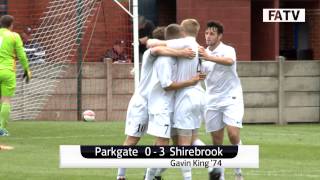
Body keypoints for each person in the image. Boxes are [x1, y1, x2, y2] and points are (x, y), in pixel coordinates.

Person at [116, 27, 196, 180]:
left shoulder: (172, 58)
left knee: (167, 143)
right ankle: (121, 175)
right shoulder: (156, 55)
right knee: (133, 140)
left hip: (160, 104)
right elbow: (156, 50)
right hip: (143, 103)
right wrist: (182, 54)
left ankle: (153, 174)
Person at [144, 24, 205, 180]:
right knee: (163, 145)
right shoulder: (165, 59)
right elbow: (167, 86)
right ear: (179, 39)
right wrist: (191, 81)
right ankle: (150, 176)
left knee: (179, 145)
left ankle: (155, 175)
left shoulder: (179, 55)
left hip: (175, 105)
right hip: (162, 107)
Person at [198, 21, 244, 180]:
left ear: (219, 36)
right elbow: (200, 76)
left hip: (232, 98)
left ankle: (238, 173)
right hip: (211, 100)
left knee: (232, 134)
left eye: (212, 33)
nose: (208, 36)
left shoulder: (228, 50)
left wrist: (208, 57)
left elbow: (229, 62)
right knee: (216, 142)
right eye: (206, 33)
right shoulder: (201, 55)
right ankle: (220, 176)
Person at [0, 15, 31, 136]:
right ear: (11, 25)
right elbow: (22, 55)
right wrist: (27, 69)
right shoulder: (14, 36)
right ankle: (1, 128)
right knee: (6, 100)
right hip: (8, 71)